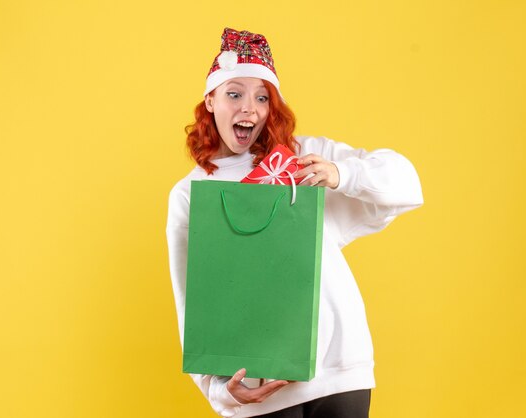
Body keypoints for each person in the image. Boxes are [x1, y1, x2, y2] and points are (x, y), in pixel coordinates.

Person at [167, 27, 424, 418]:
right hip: (260, 381)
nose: (249, 109)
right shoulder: (191, 194)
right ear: (210, 100)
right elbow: (191, 302)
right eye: (234, 93)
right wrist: (221, 391)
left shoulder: (304, 158)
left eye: (262, 97)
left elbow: (405, 181)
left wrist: (341, 175)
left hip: (340, 369)